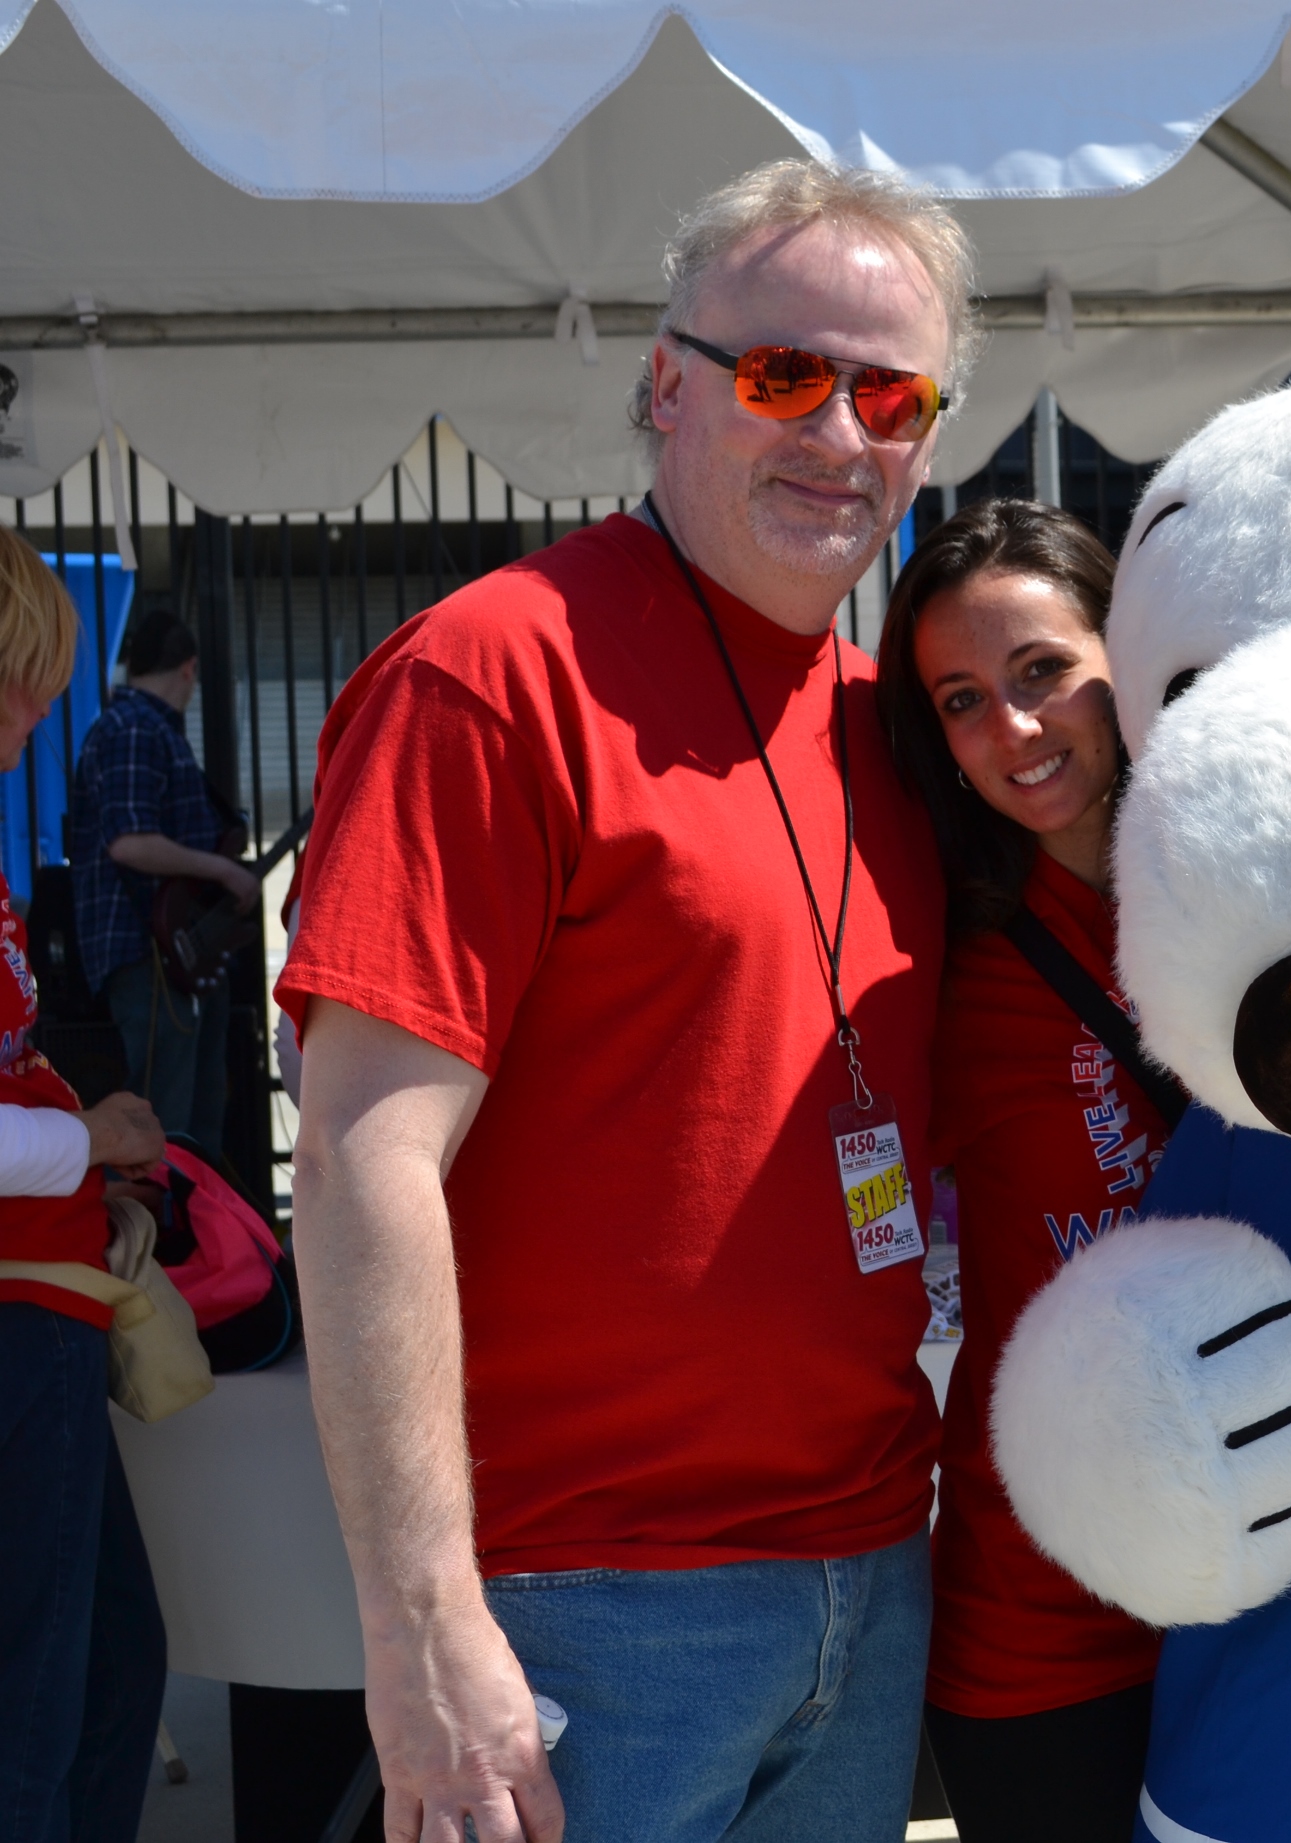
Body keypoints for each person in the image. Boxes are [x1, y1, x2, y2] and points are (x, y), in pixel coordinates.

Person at [279, 158, 978, 1843]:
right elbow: (371, 1153)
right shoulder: (494, 670)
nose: (838, 432)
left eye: (889, 393)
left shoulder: (899, 727)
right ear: (664, 383)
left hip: (869, 1577)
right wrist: (423, 1626)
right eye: (780, 374)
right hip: (589, 1599)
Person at [875, 500, 1169, 1842]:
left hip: (1286, 1574)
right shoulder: (941, 959)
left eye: (1045, 670)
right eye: (962, 699)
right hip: (1042, 1615)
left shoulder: (1274, 892)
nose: (1016, 729)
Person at [0, 528, 174, 1843]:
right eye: (20, 675)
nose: (41, 706)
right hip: (17, 1328)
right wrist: (91, 1140)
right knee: (43, 1701)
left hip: (44, 1312)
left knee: (105, 1667)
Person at [68, 606, 256, 1149]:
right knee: (166, 1125)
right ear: (189, 668)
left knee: (191, 1124)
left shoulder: (144, 728)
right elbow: (130, 843)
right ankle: (164, 1231)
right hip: (145, 951)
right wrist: (222, 868)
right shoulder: (133, 728)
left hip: (171, 955)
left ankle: (195, 1228)